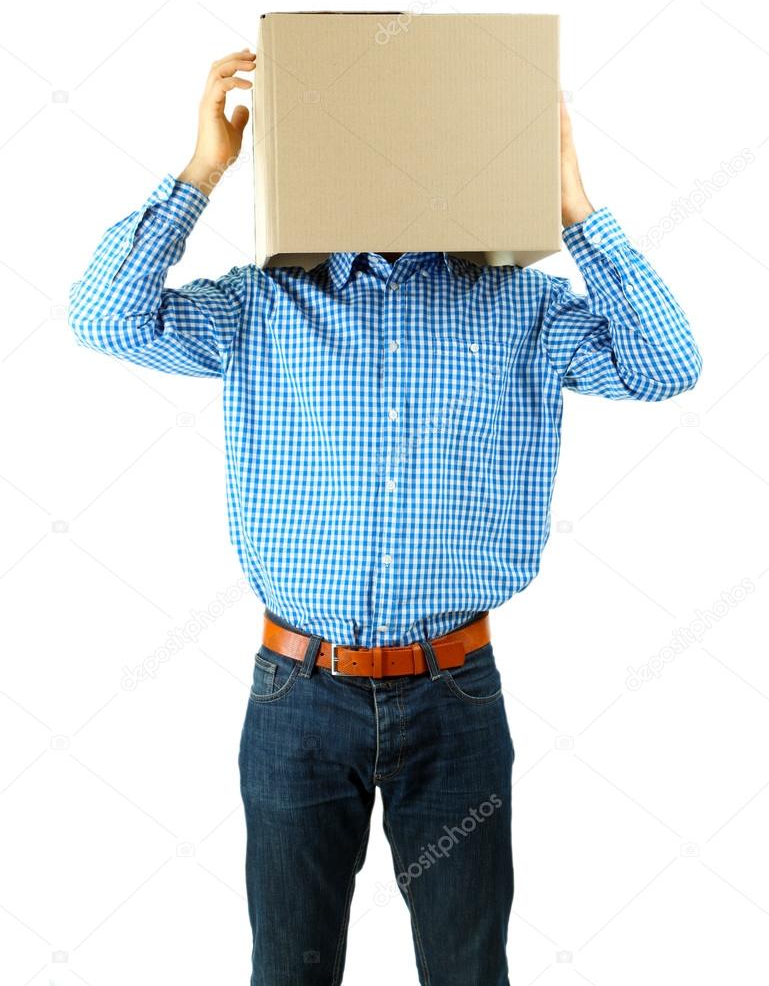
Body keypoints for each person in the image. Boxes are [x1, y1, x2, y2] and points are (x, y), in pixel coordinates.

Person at [68, 49, 702, 986]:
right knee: (289, 967)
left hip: (456, 694)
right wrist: (201, 172)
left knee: (465, 968)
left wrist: (575, 209)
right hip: (297, 696)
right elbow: (106, 319)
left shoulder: (522, 307)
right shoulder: (262, 303)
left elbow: (665, 366)